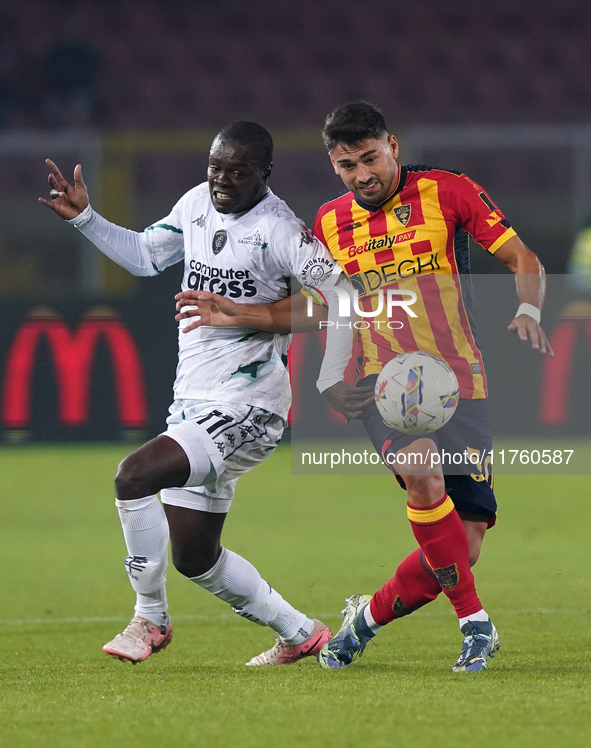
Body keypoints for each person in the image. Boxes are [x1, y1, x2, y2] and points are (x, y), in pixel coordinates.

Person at [176, 102, 554, 673]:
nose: (362, 175)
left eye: (370, 158)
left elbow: (522, 255)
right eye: (347, 165)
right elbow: (320, 302)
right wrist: (241, 313)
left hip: (461, 383)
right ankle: (476, 624)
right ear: (334, 165)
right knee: (423, 471)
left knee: (464, 546)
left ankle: (366, 618)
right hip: (383, 382)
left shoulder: (448, 192)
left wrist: (528, 304)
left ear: (393, 146)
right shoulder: (328, 223)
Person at [38, 120, 336, 666]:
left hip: (250, 406)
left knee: (134, 475)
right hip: (194, 403)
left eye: (237, 172)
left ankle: (149, 619)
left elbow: (339, 300)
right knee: (195, 556)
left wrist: (243, 312)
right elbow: (148, 255)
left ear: (265, 174)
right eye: (215, 167)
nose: (222, 180)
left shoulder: (282, 230)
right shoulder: (196, 203)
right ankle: (302, 633)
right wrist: (85, 217)